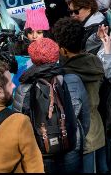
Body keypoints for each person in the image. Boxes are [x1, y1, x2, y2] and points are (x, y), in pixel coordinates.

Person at [13, 37, 89, 173]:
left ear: (32, 57)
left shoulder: (23, 88)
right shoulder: (73, 80)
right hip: (71, 145)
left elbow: (18, 125)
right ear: (56, 55)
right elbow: (85, 118)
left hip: (40, 150)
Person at [51, 17, 106, 173]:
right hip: (97, 129)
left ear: (63, 50)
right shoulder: (95, 62)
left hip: (78, 133)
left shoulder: (65, 73)